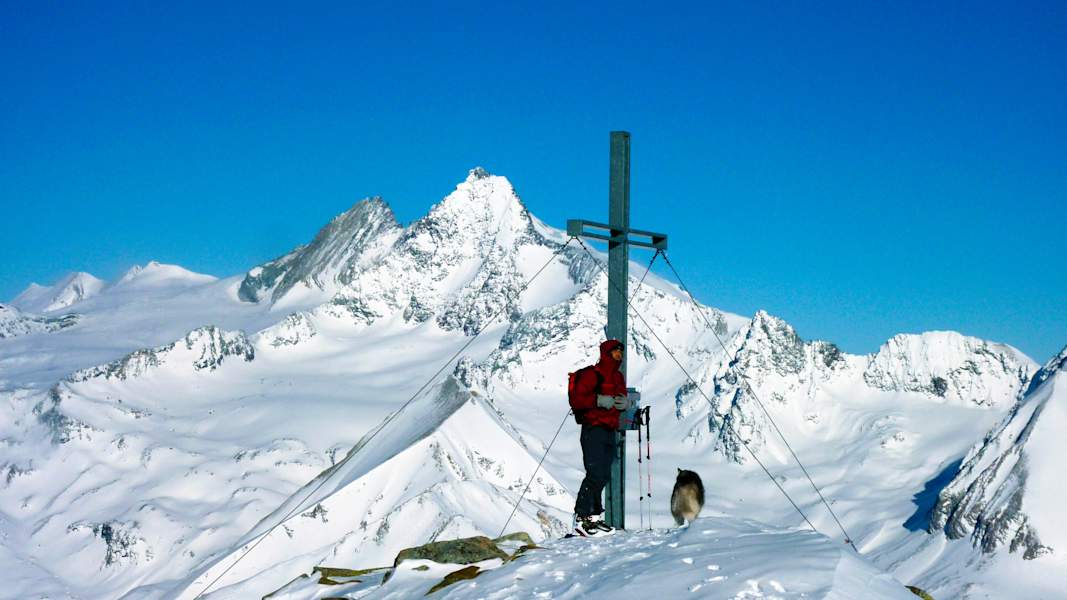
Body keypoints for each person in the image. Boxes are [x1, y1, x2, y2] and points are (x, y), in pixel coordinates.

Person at [568, 339, 629, 536]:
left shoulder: (618, 377)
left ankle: (593, 518)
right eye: (615, 351)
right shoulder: (592, 374)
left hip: (609, 429)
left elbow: (621, 397)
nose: (619, 355)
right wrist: (598, 400)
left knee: (603, 474)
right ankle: (581, 517)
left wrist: (625, 403)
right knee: (595, 473)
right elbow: (577, 399)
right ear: (606, 353)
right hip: (593, 428)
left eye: (620, 352)